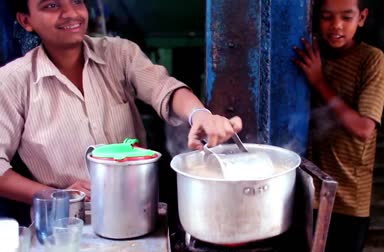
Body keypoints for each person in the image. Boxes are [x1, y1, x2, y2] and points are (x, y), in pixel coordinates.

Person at [0, 0, 242, 212]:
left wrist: (199, 114)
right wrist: (55, 196)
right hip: (63, 227)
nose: (72, 13)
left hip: (139, 216)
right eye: (52, 5)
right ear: (26, 20)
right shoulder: (13, 81)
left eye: (76, 1)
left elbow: (164, 88)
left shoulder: (119, 53)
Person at [292, 0, 384, 252]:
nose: (336, 26)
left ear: (362, 17)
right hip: (305, 193)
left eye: (347, 17)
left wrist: (319, 81)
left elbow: (363, 128)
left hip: (347, 200)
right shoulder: (312, 53)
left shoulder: (371, 59)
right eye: (326, 16)